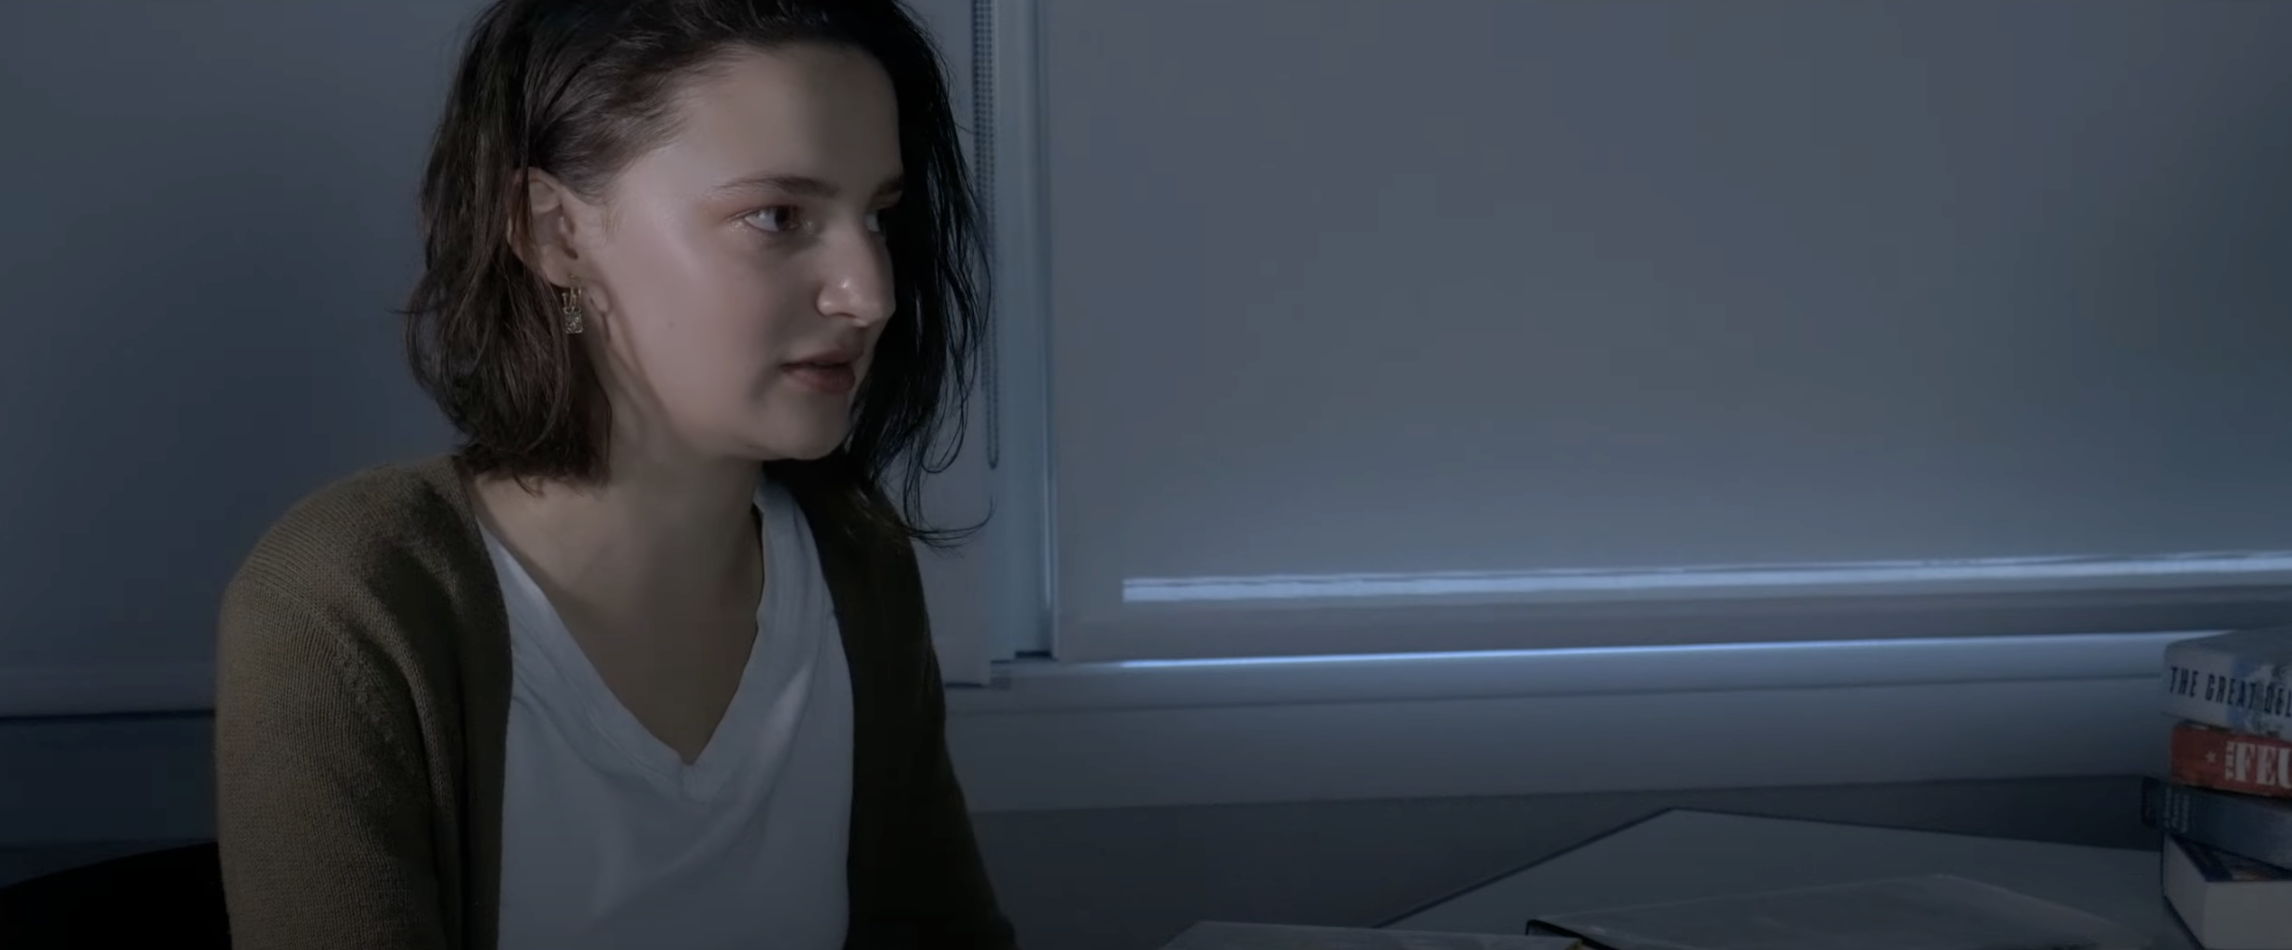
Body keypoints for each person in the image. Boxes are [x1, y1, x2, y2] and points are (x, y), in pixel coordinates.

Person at [210, 1, 1015, 948]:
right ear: (554, 233)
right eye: (777, 216)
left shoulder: (855, 564)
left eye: (877, 215)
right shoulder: (351, 602)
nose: (868, 293)